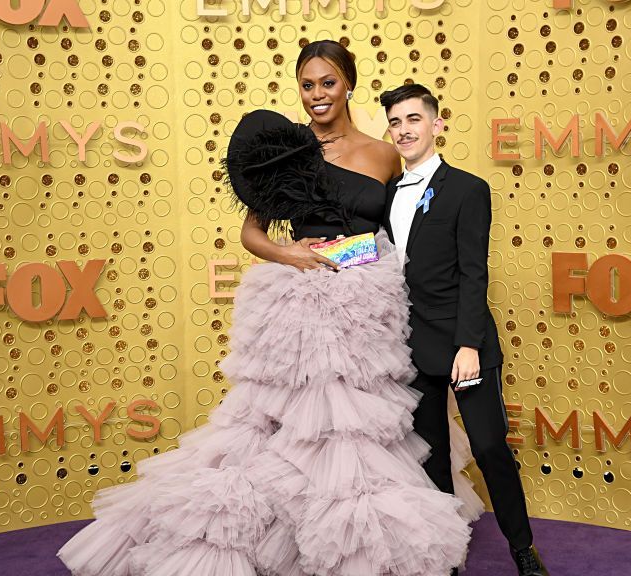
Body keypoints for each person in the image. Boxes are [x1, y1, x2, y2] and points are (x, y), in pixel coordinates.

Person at [57, 42, 473, 576]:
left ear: (349, 84)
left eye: (327, 82)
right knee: (293, 423)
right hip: (303, 302)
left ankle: (362, 538)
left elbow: (399, 230)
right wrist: (290, 253)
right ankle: (282, 538)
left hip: (370, 300)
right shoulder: (287, 152)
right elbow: (251, 231)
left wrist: (392, 270)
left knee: (366, 424)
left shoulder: (384, 152)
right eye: (307, 85)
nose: (318, 95)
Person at [381, 83, 549, 576]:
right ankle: (445, 554)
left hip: (463, 342)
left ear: (436, 124)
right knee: (430, 457)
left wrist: (469, 345)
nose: (404, 129)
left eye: (414, 119)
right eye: (395, 121)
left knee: (490, 447)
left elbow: (476, 273)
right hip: (411, 346)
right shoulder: (387, 193)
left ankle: (523, 549)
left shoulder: (468, 188)